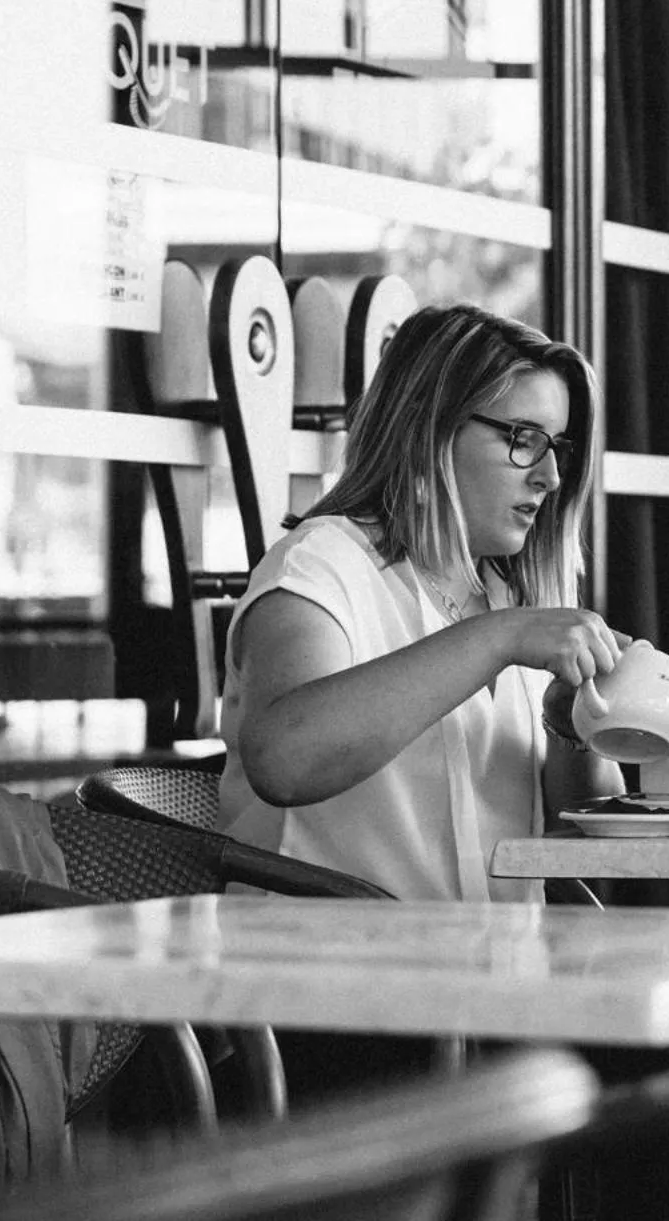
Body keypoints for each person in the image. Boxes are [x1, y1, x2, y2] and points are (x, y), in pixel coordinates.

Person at [217, 302, 628, 903]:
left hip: (493, 979)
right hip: (326, 976)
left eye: (558, 447)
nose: (551, 476)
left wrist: (571, 726)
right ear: (427, 426)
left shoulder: (508, 598)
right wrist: (497, 639)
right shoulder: (320, 566)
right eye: (523, 439)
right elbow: (283, 761)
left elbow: (587, 852)